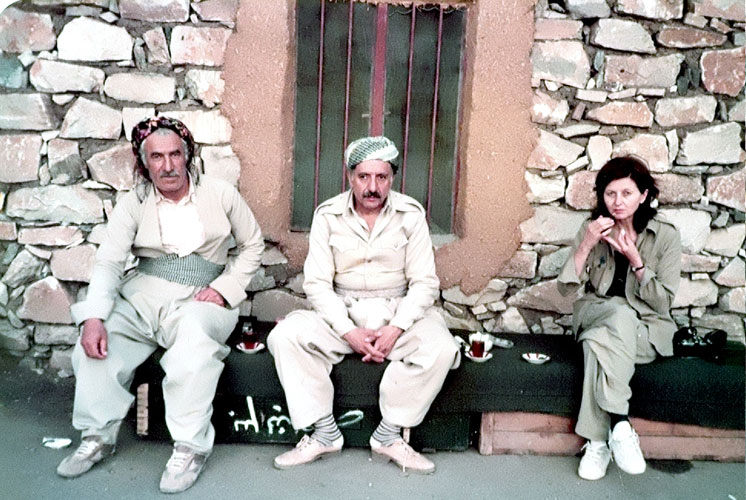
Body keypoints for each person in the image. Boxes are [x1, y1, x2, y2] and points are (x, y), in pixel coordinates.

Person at [56, 117, 264, 493]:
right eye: (157, 157)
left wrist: (226, 288)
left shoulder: (220, 193)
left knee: (194, 345)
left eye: (174, 155)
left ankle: (190, 447)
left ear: (187, 156)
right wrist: (94, 317)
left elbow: (252, 244)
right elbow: (109, 262)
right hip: (142, 293)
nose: (168, 166)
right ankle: (97, 436)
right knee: (101, 341)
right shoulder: (133, 203)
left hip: (202, 296)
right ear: (144, 163)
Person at [268, 136, 460, 474]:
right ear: (350, 176)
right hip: (343, 310)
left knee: (442, 348)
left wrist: (396, 328)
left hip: (396, 310)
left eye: (381, 177)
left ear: (392, 177)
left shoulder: (411, 214)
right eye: (363, 177)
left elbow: (424, 283)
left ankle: (388, 435)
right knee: (285, 336)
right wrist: (348, 331)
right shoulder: (328, 215)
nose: (372, 187)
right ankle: (324, 433)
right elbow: (317, 284)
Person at [558, 156, 681, 481]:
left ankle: (598, 443)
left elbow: (664, 303)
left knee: (596, 345)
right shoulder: (593, 229)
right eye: (610, 193)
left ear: (644, 195)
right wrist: (587, 243)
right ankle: (620, 424)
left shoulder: (665, 236)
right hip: (596, 312)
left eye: (627, 193)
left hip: (644, 330)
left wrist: (636, 261)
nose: (618, 202)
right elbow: (565, 288)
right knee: (617, 313)